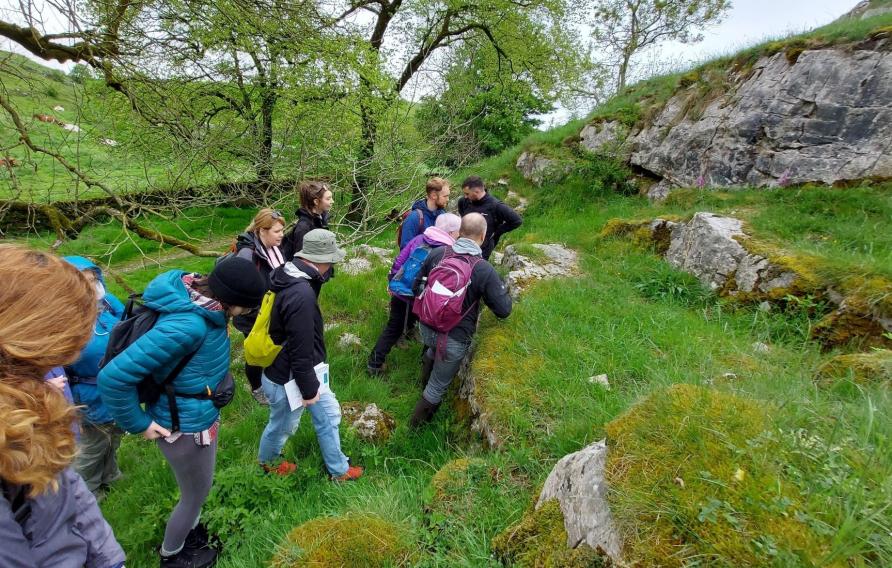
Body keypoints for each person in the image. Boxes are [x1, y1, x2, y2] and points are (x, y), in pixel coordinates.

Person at [99, 256, 265, 568]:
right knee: (195, 495)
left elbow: (191, 361)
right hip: (183, 425)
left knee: (197, 489)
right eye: (248, 306)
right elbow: (113, 377)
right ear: (232, 301)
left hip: (196, 412)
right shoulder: (189, 324)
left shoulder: (201, 300)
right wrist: (139, 424)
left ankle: (188, 534)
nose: (250, 313)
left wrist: (216, 380)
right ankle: (173, 555)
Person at [0, 244, 125, 568]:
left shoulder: (30, 402)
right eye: (66, 345)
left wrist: (110, 560)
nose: (72, 355)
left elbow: (65, 484)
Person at [257, 229, 364, 481]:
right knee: (282, 426)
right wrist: (308, 390)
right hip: (289, 378)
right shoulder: (301, 295)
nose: (332, 267)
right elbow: (299, 348)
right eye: (331, 261)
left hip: (304, 371)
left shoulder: (290, 274)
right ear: (320, 259)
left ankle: (338, 470)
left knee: (329, 415)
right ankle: (268, 462)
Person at [409, 213, 512, 428]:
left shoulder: (438, 254)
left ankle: (421, 384)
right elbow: (503, 311)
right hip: (454, 337)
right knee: (437, 386)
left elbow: (415, 286)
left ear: (460, 232)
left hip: (427, 327)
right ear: (483, 236)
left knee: (431, 349)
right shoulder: (483, 269)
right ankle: (414, 430)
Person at [62, 256, 127, 497]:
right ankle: (89, 492)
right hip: (88, 396)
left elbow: (127, 323)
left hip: (118, 388)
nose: (92, 285)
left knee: (113, 436)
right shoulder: (63, 321)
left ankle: (111, 475)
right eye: (84, 281)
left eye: (94, 279)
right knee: (91, 447)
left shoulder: (108, 304)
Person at [367, 213, 462, 376]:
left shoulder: (419, 239)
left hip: (402, 291)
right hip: (426, 300)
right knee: (431, 332)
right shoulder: (449, 251)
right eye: (458, 231)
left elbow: (399, 260)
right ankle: (424, 367)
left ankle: (374, 364)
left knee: (393, 328)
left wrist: (392, 282)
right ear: (452, 232)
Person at [231, 209, 287, 406]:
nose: (281, 234)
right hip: (252, 315)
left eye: (282, 230)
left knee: (272, 347)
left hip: (270, 310)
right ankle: (256, 388)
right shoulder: (247, 255)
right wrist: (257, 311)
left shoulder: (274, 248)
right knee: (255, 352)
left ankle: (272, 379)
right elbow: (240, 289)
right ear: (262, 231)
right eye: (277, 231)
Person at [456, 175, 523, 260]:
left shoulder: (496, 206)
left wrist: (497, 231)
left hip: (483, 250)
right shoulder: (463, 202)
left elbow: (517, 221)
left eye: (467, 194)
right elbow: (463, 215)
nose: (465, 196)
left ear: (476, 191)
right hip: (462, 245)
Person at [281, 181, 333, 260]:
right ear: (316, 202)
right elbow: (301, 262)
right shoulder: (304, 228)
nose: (332, 201)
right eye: (328, 199)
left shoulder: (321, 221)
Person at [398, 177, 451, 249]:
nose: (448, 199)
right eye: (445, 196)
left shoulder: (443, 215)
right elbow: (405, 249)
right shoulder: (414, 218)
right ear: (433, 195)